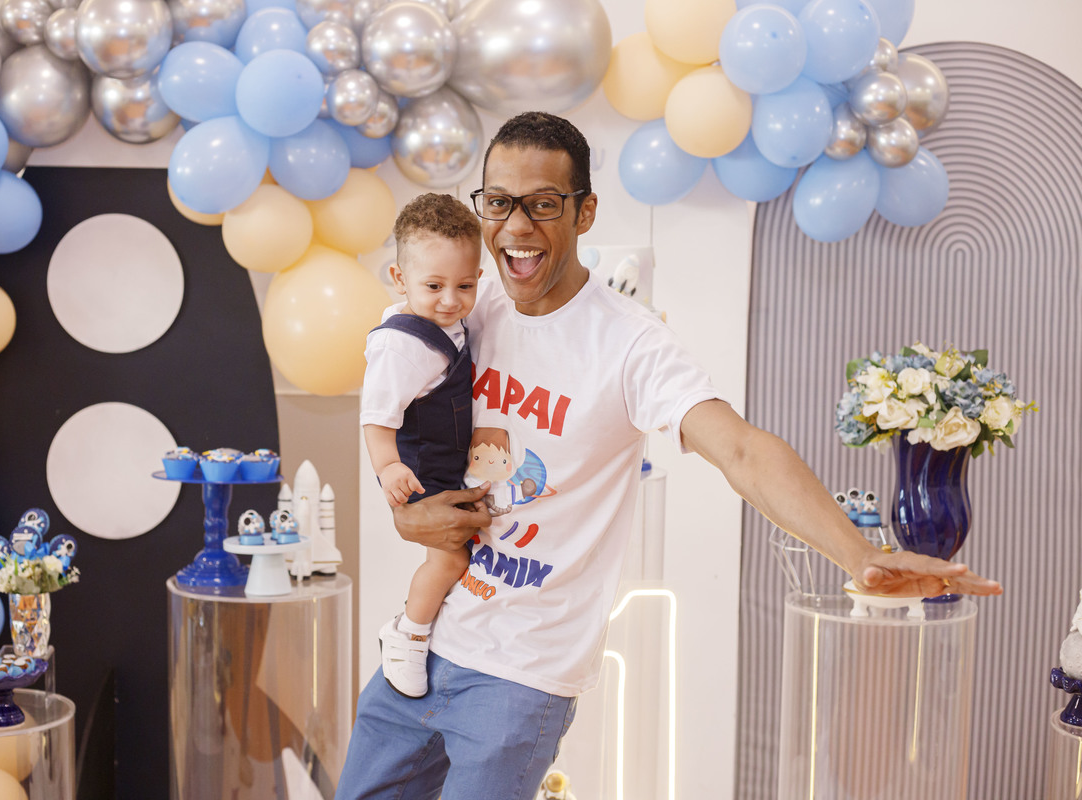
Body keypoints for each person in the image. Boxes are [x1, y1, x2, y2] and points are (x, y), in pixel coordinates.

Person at [335, 112, 1003, 800]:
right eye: (500, 203)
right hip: (421, 646)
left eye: (544, 204)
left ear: (585, 212)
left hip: (520, 678)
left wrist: (858, 555)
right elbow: (394, 407)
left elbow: (741, 449)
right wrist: (406, 511)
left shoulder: (630, 344)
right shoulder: (465, 307)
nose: (517, 226)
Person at [359, 193, 484, 699]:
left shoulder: (449, 324)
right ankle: (407, 635)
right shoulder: (400, 345)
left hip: (448, 460)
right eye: (434, 286)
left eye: (465, 285)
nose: (450, 300)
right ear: (400, 278)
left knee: (465, 553)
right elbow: (376, 417)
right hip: (420, 468)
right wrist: (388, 467)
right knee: (450, 560)